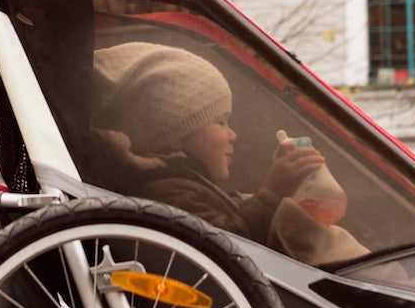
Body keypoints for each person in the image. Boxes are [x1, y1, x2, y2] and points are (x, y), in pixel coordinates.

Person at [86, 42, 361, 265]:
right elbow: (228, 248)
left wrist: (286, 190)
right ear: (173, 132)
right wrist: (272, 193)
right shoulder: (163, 192)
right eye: (220, 122)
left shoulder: (185, 182)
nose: (233, 135)